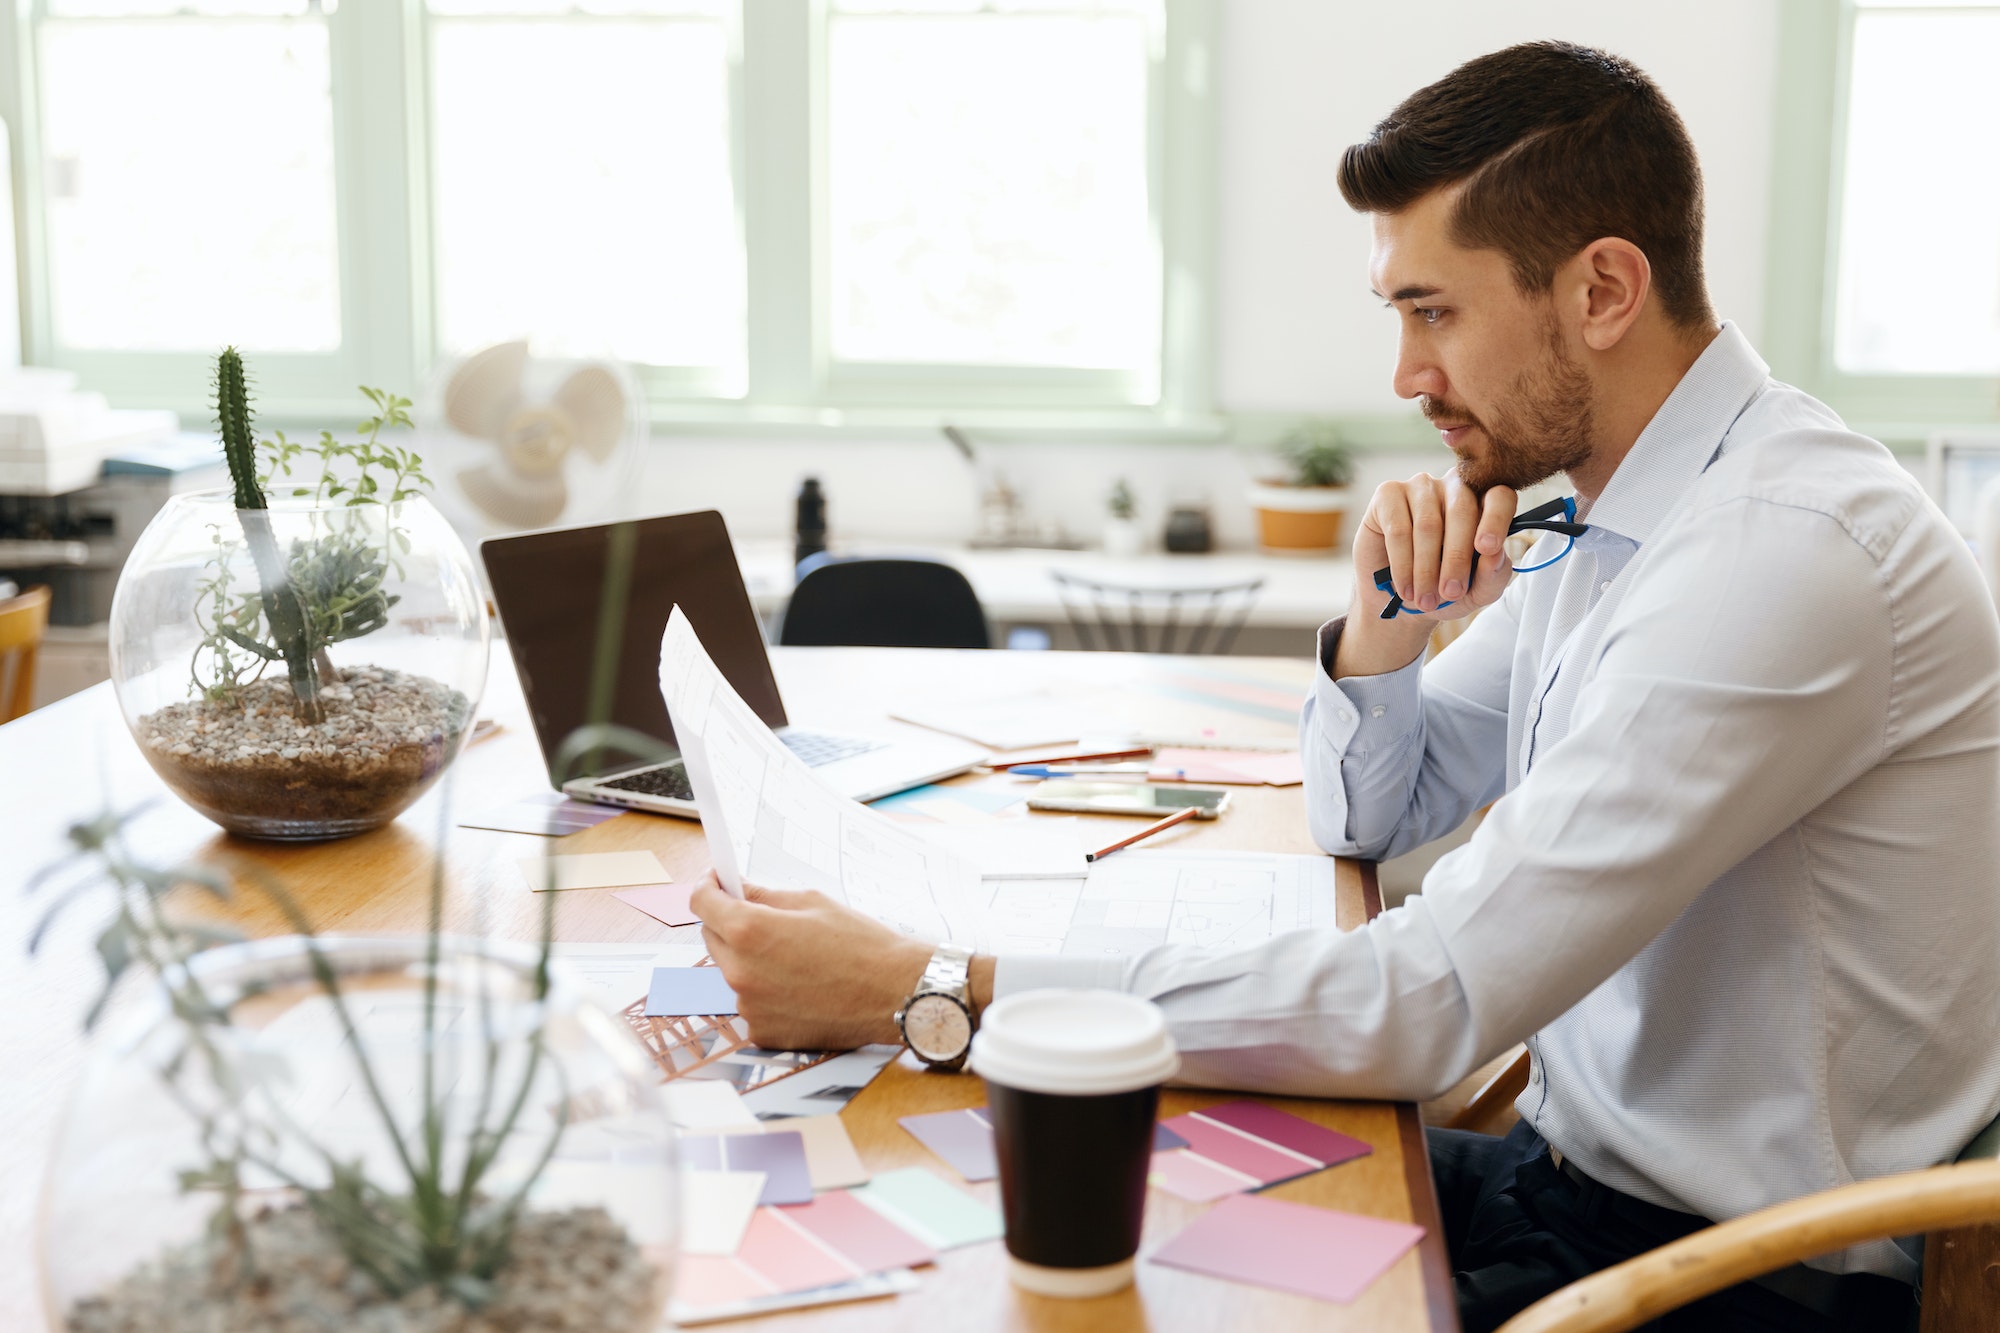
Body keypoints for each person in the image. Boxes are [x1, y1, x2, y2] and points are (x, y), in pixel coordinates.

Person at [691, 41, 2000, 1332]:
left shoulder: (1780, 556)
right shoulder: (1612, 509)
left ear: (1603, 289)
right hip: (1566, 1182)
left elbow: (1426, 999)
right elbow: (1371, 813)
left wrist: (924, 984)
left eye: (1434, 311)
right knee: (1091, 1199)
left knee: (1120, 1258)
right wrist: (1383, 635)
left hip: (1739, 1276)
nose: (1406, 376)